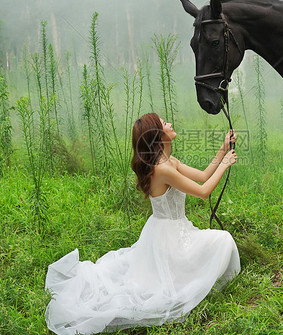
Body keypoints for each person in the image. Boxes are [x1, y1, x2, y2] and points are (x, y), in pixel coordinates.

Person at [44, 113, 241, 335]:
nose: (170, 123)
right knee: (223, 239)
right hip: (169, 238)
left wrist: (222, 150)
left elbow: (204, 176)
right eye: (164, 123)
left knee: (218, 241)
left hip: (172, 230)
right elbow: (204, 192)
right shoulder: (162, 169)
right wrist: (224, 165)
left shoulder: (169, 162)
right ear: (157, 135)